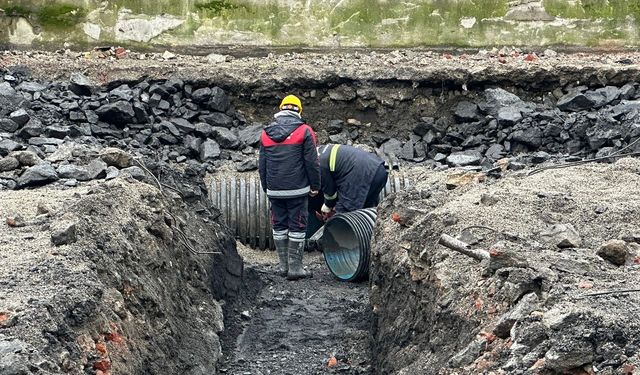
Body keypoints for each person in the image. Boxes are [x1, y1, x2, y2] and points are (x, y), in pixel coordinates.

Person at [259, 95, 320, 280]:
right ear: (298, 111)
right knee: (297, 225)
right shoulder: (305, 131)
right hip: (298, 190)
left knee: (279, 225)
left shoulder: (265, 133)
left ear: (281, 109)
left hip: (274, 190)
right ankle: (295, 269)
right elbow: (312, 162)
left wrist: (266, 187)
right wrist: (315, 185)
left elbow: (262, 164)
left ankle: (283, 267)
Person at [317, 144, 388, 216]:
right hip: (379, 170)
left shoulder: (317, 164)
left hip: (362, 175)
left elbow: (330, 192)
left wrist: (327, 205)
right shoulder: (322, 150)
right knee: (365, 212)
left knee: (343, 215)